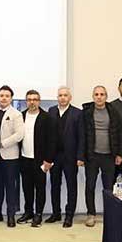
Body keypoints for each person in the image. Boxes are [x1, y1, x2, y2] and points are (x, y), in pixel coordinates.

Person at [80, 86, 122, 227]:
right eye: (96, 94)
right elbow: (82, 135)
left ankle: (109, 214)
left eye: (102, 94)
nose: (99, 97)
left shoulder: (113, 111)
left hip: (109, 156)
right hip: (92, 156)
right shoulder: (86, 112)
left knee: (108, 187)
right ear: (93, 96)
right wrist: (81, 156)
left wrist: (119, 153)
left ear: (106, 96)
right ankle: (91, 214)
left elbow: (119, 133)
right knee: (90, 186)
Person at [47, 86, 84, 227]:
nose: (62, 98)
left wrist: (80, 156)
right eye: (60, 95)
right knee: (54, 185)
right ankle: (56, 213)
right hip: (54, 156)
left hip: (71, 156)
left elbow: (82, 137)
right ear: (57, 97)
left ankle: (69, 215)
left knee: (71, 186)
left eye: (65, 95)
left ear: (70, 97)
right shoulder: (51, 111)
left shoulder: (77, 113)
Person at [19, 90, 56, 228]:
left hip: (40, 161)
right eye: (29, 99)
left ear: (39, 101)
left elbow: (52, 141)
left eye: (35, 99)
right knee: (27, 188)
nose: (32, 102)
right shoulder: (21, 116)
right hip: (24, 159)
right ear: (26, 101)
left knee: (40, 189)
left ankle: (38, 214)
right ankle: (28, 212)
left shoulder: (46, 117)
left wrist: (48, 160)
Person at [0, 85, 25, 227]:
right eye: (1, 95)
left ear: (11, 98)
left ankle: (11, 215)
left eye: (7, 96)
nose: (3, 98)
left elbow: (19, 134)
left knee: (11, 187)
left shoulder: (16, 114)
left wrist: (2, 144)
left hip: (10, 157)